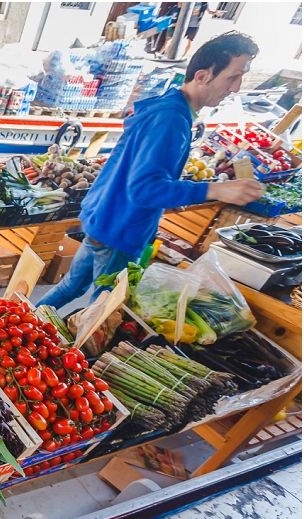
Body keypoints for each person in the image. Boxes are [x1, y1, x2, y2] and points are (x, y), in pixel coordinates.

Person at [37, 32, 265, 311]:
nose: (236, 88)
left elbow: (136, 171)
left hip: (103, 217)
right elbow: (145, 189)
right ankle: (72, 348)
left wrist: (175, 195)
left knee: (72, 286)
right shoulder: (170, 120)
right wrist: (215, 189)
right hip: (120, 228)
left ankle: (25, 321)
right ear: (203, 75)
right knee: (105, 308)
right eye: (233, 77)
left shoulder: (167, 107)